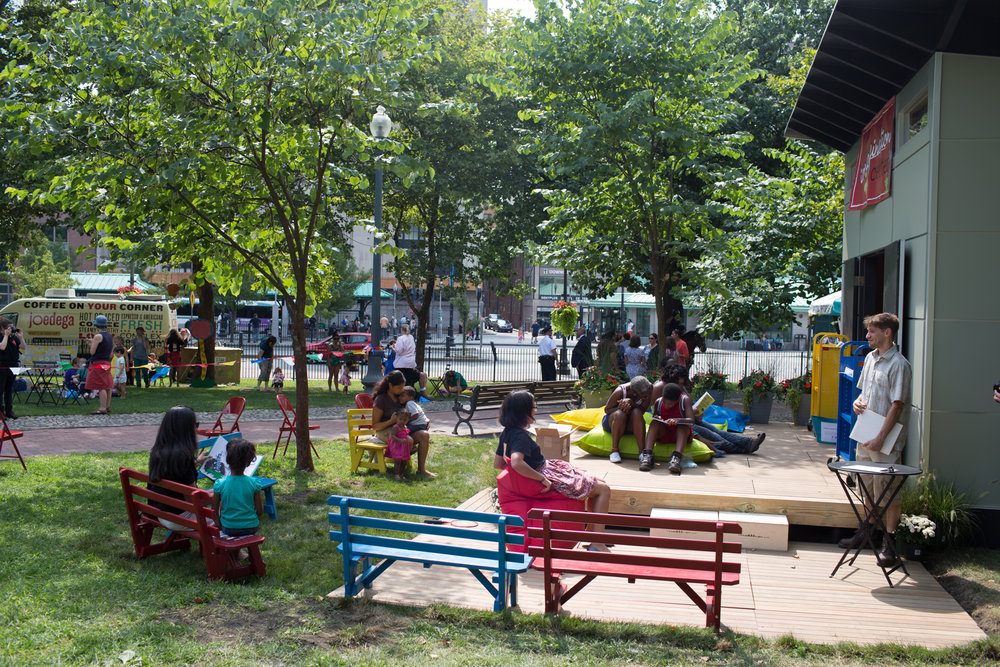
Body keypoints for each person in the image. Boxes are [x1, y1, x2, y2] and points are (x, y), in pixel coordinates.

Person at [493, 390, 612, 551]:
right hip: (546, 475)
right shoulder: (520, 437)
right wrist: (540, 479)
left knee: (598, 484)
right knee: (603, 490)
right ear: (525, 411)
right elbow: (516, 462)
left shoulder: (507, 432)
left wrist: (519, 481)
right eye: (534, 406)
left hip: (545, 470)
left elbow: (499, 463)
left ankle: (593, 535)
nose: (536, 409)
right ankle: (597, 543)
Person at [840, 312, 911, 567]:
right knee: (866, 486)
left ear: (887, 333)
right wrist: (859, 403)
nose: (867, 336)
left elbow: (897, 404)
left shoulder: (899, 364)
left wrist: (881, 436)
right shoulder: (870, 358)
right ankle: (867, 532)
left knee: (888, 491)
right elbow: (863, 393)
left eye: (872, 332)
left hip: (885, 439)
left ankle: (889, 544)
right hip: (865, 433)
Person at [147, 405, 214, 532]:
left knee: (217, 493)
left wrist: (194, 463)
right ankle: (235, 550)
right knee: (227, 502)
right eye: (196, 424)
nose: (197, 428)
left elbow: (173, 473)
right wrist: (219, 494)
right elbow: (192, 502)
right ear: (186, 429)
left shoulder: (158, 451)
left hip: (162, 511)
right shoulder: (184, 457)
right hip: (180, 518)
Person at [371, 371, 435, 476]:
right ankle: (399, 471)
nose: (402, 390)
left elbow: (412, 412)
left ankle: (421, 470)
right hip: (385, 431)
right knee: (408, 440)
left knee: (424, 435)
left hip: (402, 430)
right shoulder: (381, 399)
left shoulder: (400, 397)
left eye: (403, 387)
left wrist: (425, 420)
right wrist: (391, 421)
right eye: (400, 387)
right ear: (390, 385)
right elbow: (375, 426)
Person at [211, 438, 264, 546]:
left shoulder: (220, 484)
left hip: (228, 527)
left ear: (227, 461)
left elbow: (214, 510)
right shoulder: (254, 483)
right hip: (251, 527)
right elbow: (260, 511)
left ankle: (235, 556)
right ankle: (242, 554)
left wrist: (219, 524)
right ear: (249, 463)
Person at [642, 382, 695, 474]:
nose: (667, 405)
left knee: (682, 427)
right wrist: (658, 418)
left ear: (677, 400)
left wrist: (677, 420)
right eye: (665, 402)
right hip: (664, 433)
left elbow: (691, 420)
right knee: (654, 423)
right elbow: (655, 416)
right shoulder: (658, 402)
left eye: (670, 404)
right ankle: (648, 454)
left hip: (679, 434)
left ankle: (676, 457)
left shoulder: (684, 400)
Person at [603, 376, 653, 464]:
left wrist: (632, 404)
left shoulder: (649, 388)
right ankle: (614, 451)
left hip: (631, 424)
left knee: (637, 412)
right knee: (621, 413)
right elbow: (607, 410)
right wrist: (622, 407)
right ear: (634, 394)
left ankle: (642, 452)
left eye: (648, 394)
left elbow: (642, 410)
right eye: (644, 396)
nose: (647, 396)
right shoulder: (620, 392)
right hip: (614, 421)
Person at [86, 315, 114, 414]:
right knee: (107, 385)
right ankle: (107, 406)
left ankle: (102, 408)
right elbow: (111, 352)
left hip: (98, 362)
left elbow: (92, 352)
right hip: (107, 362)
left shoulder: (98, 336)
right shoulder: (109, 336)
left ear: (96, 325)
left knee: (101, 385)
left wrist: (91, 344)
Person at [0, 317, 26, 421]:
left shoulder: (14, 338)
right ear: (2, 328)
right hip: (2, 367)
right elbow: (2, 347)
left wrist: (21, 337)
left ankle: (9, 411)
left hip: (13, 366)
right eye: (9, 328)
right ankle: (1, 412)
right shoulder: (2, 337)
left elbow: (24, 347)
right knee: (0, 390)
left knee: (9, 390)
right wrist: (5, 335)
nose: (11, 329)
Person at [393, 325, 429, 397]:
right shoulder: (411, 337)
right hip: (411, 363)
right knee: (410, 379)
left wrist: (393, 348)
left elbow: (399, 351)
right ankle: (421, 392)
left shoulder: (400, 338)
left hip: (401, 363)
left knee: (402, 379)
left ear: (401, 330)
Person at [386, 407, 413, 480]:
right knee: (398, 460)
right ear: (396, 418)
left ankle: (401, 474)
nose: (402, 421)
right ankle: (396, 474)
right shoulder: (396, 427)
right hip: (396, 446)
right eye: (400, 419)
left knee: (404, 461)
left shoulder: (405, 427)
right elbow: (392, 436)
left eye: (404, 420)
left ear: (408, 420)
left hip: (403, 447)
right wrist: (399, 440)